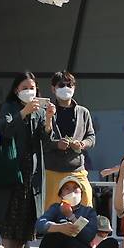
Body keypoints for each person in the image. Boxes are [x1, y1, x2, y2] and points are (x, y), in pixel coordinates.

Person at [0, 71, 54, 248]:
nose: (30, 91)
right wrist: (24, 112)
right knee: (10, 216)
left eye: (33, 88)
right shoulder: (9, 107)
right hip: (13, 169)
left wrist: (48, 120)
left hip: (33, 171)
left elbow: (46, 141)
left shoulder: (38, 111)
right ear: (16, 90)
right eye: (25, 88)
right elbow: (6, 130)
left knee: (26, 218)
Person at [22, 176, 118, 248]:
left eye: (75, 188)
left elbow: (89, 236)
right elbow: (40, 224)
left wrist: (71, 217)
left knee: (112, 243)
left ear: (81, 193)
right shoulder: (55, 208)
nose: (72, 191)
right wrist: (59, 227)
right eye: (67, 188)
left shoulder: (89, 212)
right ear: (61, 194)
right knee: (53, 235)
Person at [43, 71, 95, 210]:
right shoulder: (46, 111)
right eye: (61, 85)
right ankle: (52, 231)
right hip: (53, 169)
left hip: (77, 168)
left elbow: (91, 137)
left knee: (86, 202)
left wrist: (83, 144)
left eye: (70, 85)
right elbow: (41, 140)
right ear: (53, 88)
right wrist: (56, 144)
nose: (66, 88)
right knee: (51, 207)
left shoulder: (83, 112)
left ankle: (82, 231)